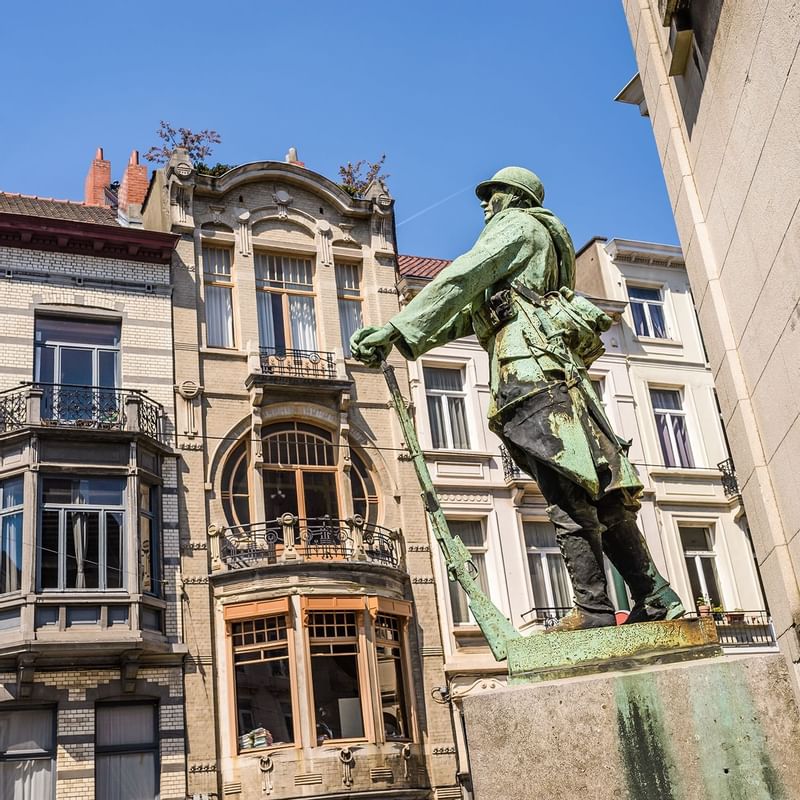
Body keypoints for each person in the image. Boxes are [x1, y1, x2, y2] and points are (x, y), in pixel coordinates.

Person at [350, 166, 685, 632]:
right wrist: (403, 339)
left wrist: (393, 328)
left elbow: (462, 278)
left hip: (529, 372)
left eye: (496, 194)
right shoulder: (540, 252)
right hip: (560, 373)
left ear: (519, 197)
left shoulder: (519, 227)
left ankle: (594, 612)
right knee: (600, 491)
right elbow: (466, 316)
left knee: (567, 493)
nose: (487, 204)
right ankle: (656, 596)